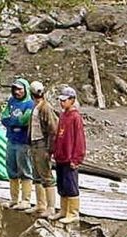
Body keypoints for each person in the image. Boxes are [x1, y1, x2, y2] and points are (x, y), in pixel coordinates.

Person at [49, 86, 86, 224]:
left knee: (71, 185)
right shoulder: (63, 115)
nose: (62, 103)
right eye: (61, 100)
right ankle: (63, 210)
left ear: (72, 100)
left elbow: (79, 139)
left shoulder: (76, 117)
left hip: (70, 157)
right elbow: (59, 135)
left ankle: (73, 212)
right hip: (61, 156)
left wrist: (77, 158)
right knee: (62, 185)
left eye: (65, 100)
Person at [26, 81, 59, 217]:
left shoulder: (45, 108)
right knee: (37, 176)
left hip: (41, 144)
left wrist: (49, 149)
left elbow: (53, 129)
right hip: (34, 143)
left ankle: (50, 207)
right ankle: (40, 204)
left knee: (46, 176)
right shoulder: (36, 107)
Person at [1, 79, 35, 210]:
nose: (17, 92)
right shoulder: (11, 102)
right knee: (11, 170)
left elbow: (24, 120)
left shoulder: (29, 104)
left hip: (23, 142)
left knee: (25, 169)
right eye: (15, 89)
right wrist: (13, 121)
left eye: (20, 89)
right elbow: (4, 118)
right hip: (11, 139)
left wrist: (13, 121)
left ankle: (25, 199)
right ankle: (14, 199)